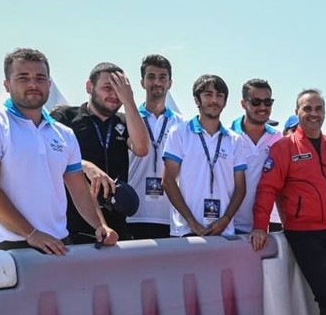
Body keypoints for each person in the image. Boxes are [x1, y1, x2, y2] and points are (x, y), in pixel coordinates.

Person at [0, 48, 118, 254]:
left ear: (49, 84)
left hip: (56, 243)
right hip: (3, 247)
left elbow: (79, 189)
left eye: (40, 78)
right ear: (7, 84)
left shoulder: (63, 133)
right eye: (23, 77)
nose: (33, 84)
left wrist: (100, 225)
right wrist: (31, 234)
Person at [250, 89, 326, 315]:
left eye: (318, 109)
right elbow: (267, 189)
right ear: (297, 112)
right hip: (305, 234)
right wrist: (260, 226)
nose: (313, 114)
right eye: (307, 108)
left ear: (324, 112)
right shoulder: (283, 148)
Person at [50, 62, 150, 243]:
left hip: (115, 226)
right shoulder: (66, 116)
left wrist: (129, 100)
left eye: (119, 90)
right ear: (89, 87)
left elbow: (142, 148)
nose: (114, 95)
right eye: (107, 88)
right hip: (72, 225)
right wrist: (85, 165)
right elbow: (50, 155)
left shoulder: (124, 121)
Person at [162, 74, 252, 238]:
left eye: (219, 96)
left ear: (225, 101)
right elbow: (168, 181)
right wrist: (193, 224)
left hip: (224, 231)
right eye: (208, 95)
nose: (214, 100)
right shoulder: (180, 132)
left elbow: (241, 187)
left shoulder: (234, 140)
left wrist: (225, 220)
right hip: (186, 231)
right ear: (197, 100)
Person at [127, 54, 182, 240]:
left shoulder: (181, 124)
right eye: (151, 77)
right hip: (133, 214)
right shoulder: (128, 119)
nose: (157, 82)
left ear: (170, 83)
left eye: (162, 77)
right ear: (142, 82)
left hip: (170, 217)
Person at [230, 78, 284, 234]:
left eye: (268, 102)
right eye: (256, 102)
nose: (262, 107)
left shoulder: (278, 139)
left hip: (268, 227)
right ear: (243, 104)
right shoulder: (227, 136)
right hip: (231, 226)